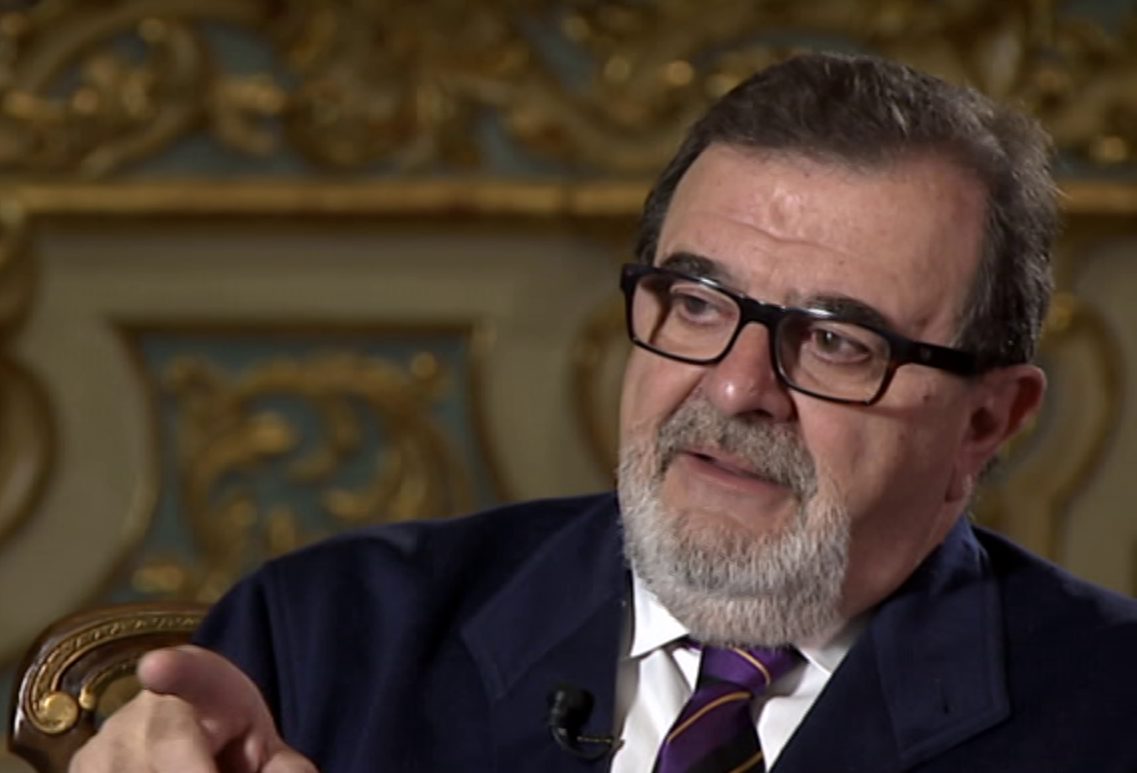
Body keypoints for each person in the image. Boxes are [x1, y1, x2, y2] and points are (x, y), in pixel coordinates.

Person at [69, 51, 1137, 773]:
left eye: (834, 342)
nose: (734, 388)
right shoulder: (326, 638)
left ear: (988, 421)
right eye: (697, 302)